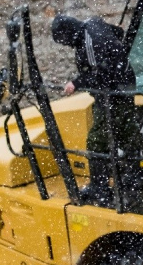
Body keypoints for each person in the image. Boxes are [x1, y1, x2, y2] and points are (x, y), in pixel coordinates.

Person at [51, 15, 137, 207]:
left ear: (68, 34)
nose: (67, 46)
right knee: (126, 133)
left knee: (97, 139)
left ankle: (100, 188)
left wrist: (76, 83)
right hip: (126, 86)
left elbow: (100, 74)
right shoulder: (93, 22)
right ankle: (132, 179)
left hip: (113, 93)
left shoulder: (89, 42)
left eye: (64, 41)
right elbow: (118, 33)